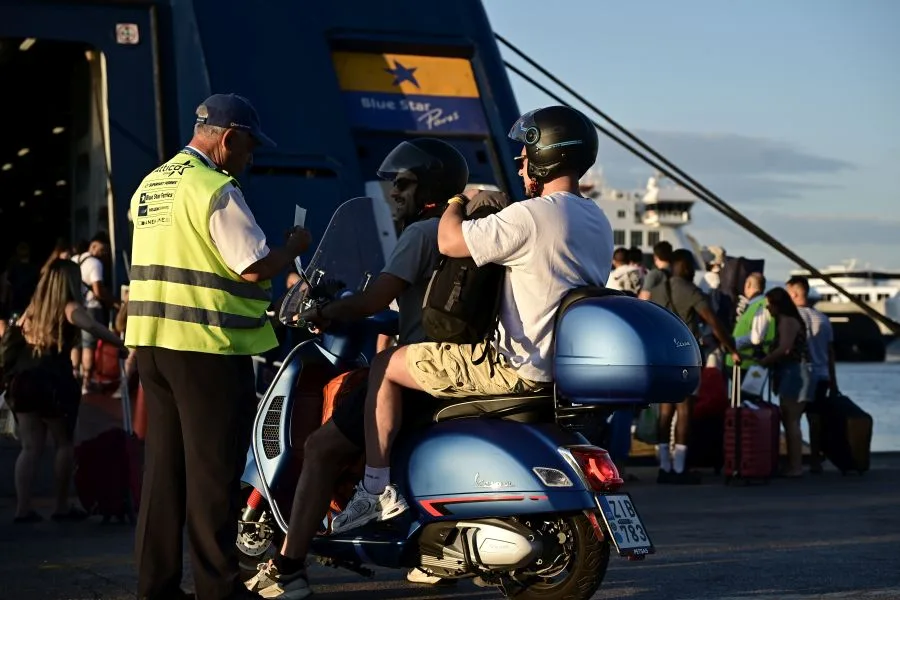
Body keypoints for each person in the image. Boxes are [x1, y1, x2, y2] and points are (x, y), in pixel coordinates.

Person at [330, 105, 613, 533]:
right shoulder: (597, 220)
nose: (520, 167)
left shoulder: (534, 215)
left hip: (512, 367)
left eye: (524, 158)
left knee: (386, 365)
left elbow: (449, 241)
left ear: (546, 156)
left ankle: (374, 489)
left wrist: (458, 200)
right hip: (558, 371)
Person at [244, 138, 492, 599]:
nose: (393, 193)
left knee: (320, 447)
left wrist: (325, 311)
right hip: (456, 365)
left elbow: (373, 299)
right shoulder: (469, 233)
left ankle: (290, 566)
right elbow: (427, 309)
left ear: (430, 187)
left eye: (404, 184)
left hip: (418, 370)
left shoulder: (421, 234)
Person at [126, 93, 311, 600]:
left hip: (153, 344)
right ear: (228, 139)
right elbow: (252, 265)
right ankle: (218, 591)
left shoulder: (151, 184)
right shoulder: (215, 188)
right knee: (214, 474)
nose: (250, 159)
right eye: (249, 148)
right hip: (207, 346)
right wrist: (293, 249)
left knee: (163, 474)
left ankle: (157, 589)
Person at [4, 259, 126, 523]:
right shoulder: (68, 307)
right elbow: (93, 327)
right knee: (63, 443)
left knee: (30, 447)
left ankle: (22, 509)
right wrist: (121, 344)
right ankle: (61, 506)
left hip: (23, 380)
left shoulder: (33, 308)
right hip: (53, 381)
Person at [646, 249, 741, 484]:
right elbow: (713, 322)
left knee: (665, 412)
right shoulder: (691, 291)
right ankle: (679, 468)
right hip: (685, 358)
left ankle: (664, 467)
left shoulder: (656, 291)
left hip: (662, 358)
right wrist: (732, 348)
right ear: (687, 267)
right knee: (684, 411)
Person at [785, 276, 836, 474]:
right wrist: (834, 381)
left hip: (800, 374)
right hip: (822, 375)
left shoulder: (792, 318)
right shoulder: (823, 319)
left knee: (793, 419)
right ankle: (816, 459)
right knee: (816, 420)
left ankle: (794, 461)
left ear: (794, 293)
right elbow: (830, 353)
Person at [758, 287, 811, 477]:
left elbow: (785, 348)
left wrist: (764, 361)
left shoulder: (787, 321)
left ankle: (795, 466)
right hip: (793, 371)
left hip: (793, 372)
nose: (768, 309)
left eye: (770, 305)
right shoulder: (790, 320)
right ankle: (792, 463)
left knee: (791, 420)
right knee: (790, 419)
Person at [72, 232, 117, 394]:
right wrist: (113, 302)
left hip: (74, 308)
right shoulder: (95, 264)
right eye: (102, 249)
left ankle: (74, 376)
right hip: (91, 308)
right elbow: (97, 290)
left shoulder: (74, 260)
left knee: (75, 344)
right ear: (93, 246)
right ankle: (86, 382)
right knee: (88, 346)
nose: (103, 253)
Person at [725, 272, 776, 383]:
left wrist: (732, 344)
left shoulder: (761, 306)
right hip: (743, 363)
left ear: (747, 285)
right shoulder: (754, 305)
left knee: (743, 394)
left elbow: (756, 337)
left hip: (747, 364)